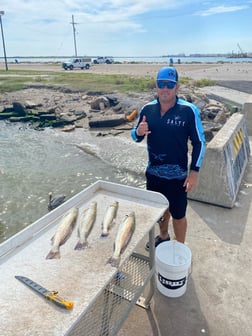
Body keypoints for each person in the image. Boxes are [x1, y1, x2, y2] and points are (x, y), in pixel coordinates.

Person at [131, 66, 205, 250]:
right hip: (154, 174)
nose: (165, 88)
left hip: (178, 177)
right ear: (156, 85)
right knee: (160, 212)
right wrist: (138, 131)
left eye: (169, 85)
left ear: (177, 87)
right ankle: (163, 236)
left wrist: (194, 172)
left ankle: (180, 248)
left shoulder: (188, 111)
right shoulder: (148, 109)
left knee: (178, 215)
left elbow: (199, 143)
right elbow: (136, 136)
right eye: (161, 84)